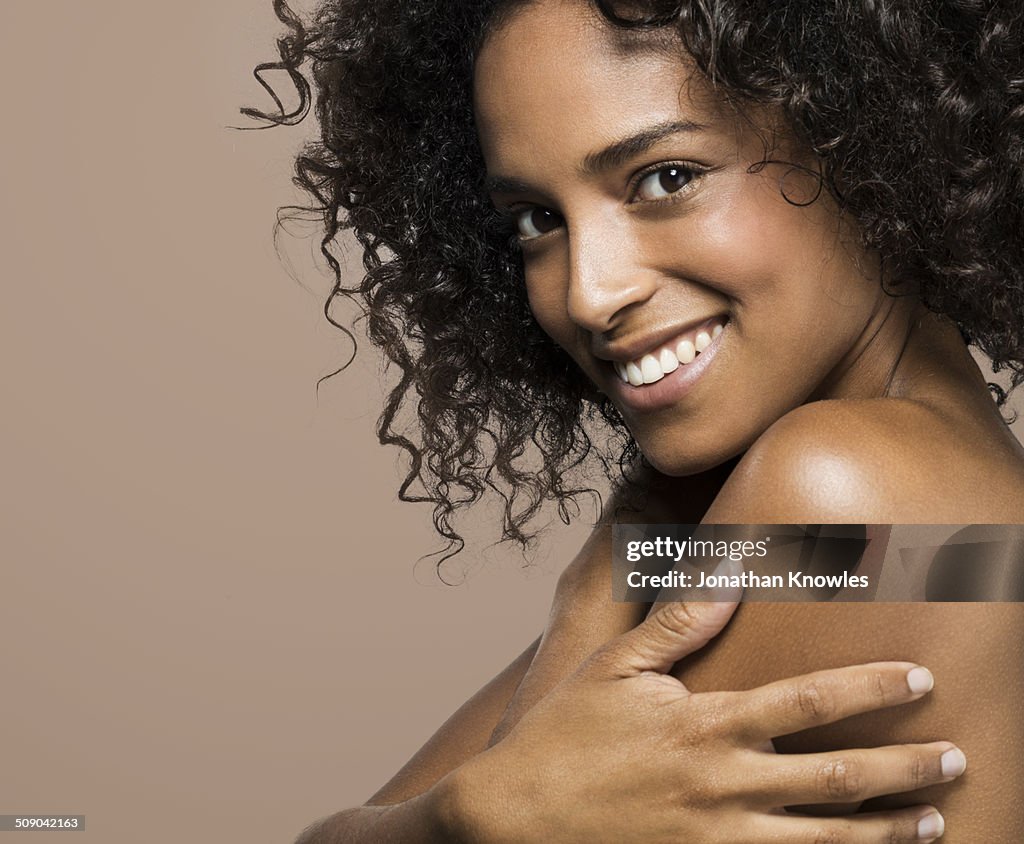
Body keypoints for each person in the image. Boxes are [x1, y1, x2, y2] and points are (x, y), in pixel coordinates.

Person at [243, 0, 1024, 840]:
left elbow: (486, 810)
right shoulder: (957, 536)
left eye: (667, 178)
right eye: (538, 220)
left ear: (865, 137)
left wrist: (471, 808)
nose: (589, 293)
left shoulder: (843, 492)